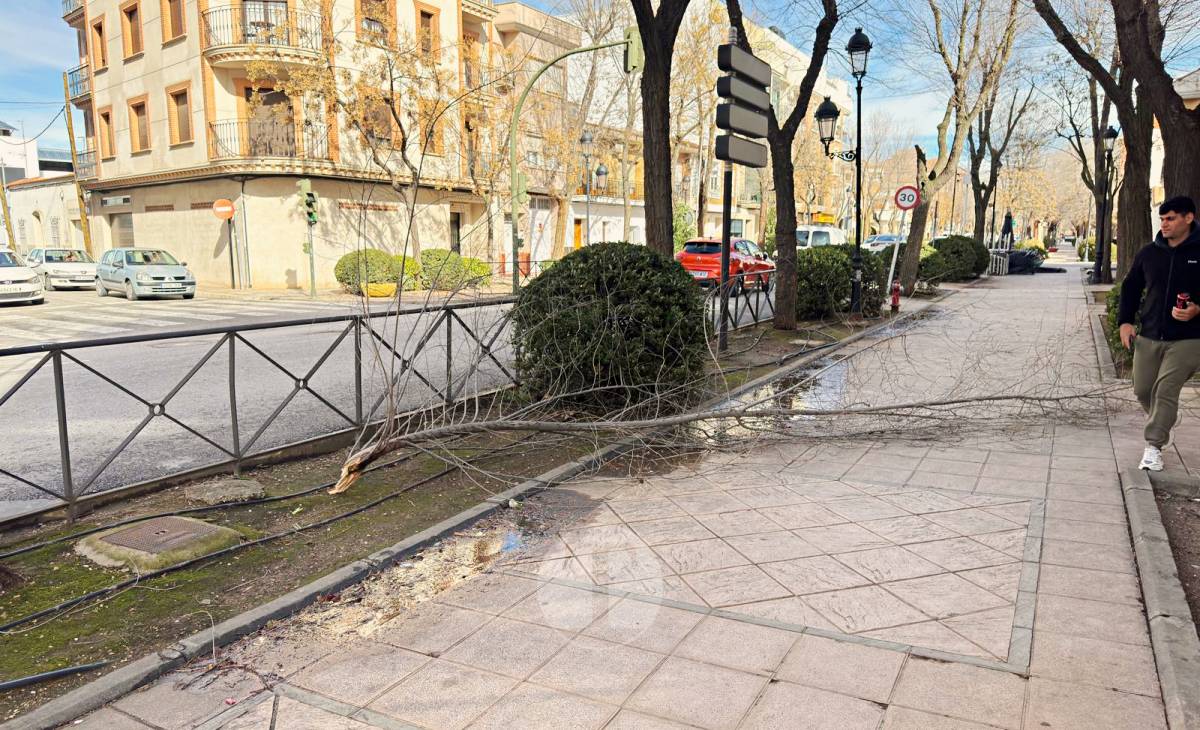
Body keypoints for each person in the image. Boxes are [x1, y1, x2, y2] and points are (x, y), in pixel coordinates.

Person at [1119, 196, 1200, 471]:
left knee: (1165, 389)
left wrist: (1197, 309)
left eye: (1171, 218)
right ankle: (1165, 419)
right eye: (1162, 219)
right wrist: (1125, 323)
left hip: (1189, 338)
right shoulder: (1149, 253)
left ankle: (1153, 447)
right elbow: (1130, 288)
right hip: (1150, 334)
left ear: (1188, 218)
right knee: (1143, 390)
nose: (1164, 224)